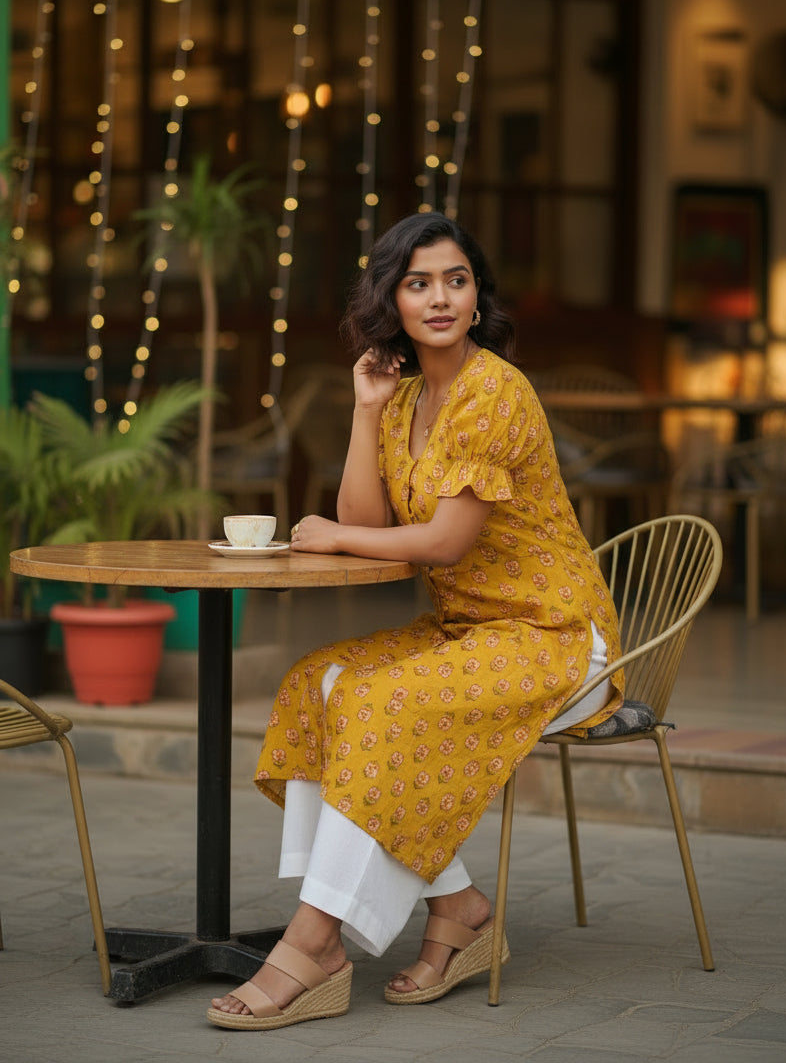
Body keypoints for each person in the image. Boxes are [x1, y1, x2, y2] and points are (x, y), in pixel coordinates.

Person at [208, 211, 624, 1031]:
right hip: (469, 629)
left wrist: (329, 535)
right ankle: (462, 910)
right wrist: (367, 410)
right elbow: (363, 514)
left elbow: (442, 540)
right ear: (391, 299)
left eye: (456, 280)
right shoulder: (401, 400)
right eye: (418, 282)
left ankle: (314, 943)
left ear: (478, 297)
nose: (440, 298)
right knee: (319, 682)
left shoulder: (495, 390)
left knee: (382, 702)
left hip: (554, 634)